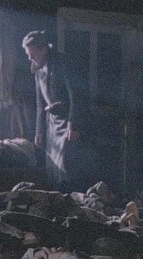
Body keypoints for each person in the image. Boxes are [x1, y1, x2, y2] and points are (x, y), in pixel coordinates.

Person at [22, 31, 90, 192]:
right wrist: (39, 131)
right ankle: (57, 198)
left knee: (67, 165)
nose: (30, 58)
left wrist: (73, 124)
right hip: (51, 124)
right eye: (28, 54)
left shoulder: (62, 63)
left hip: (67, 122)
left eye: (32, 54)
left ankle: (72, 198)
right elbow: (40, 102)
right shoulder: (37, 69)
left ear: (44, 49)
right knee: (53, 168)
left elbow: (76, 95)